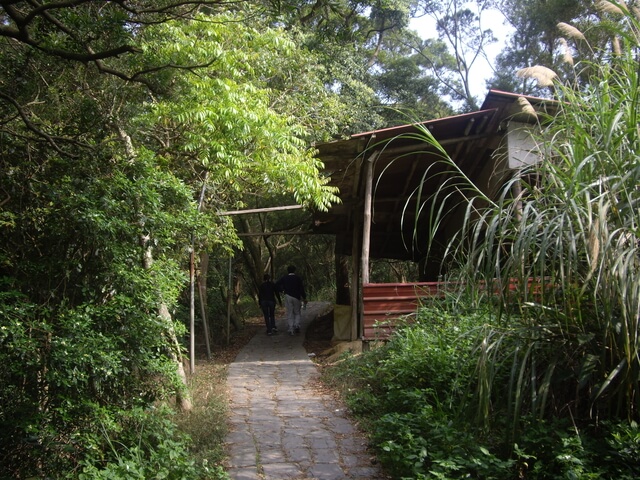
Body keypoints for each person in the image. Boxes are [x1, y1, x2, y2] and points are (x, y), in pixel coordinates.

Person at [275, 265, 307, 335]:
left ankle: (290, 328)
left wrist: (282, 290)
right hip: (296, 297)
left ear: (288, 270)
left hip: (288, 296)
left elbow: (277, 284)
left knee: (289, 312)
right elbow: (301, 288)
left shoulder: (284, 278)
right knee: (297, 312)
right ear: (294, 270)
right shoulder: (297, 278)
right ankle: (297, 325)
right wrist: (304, 297)